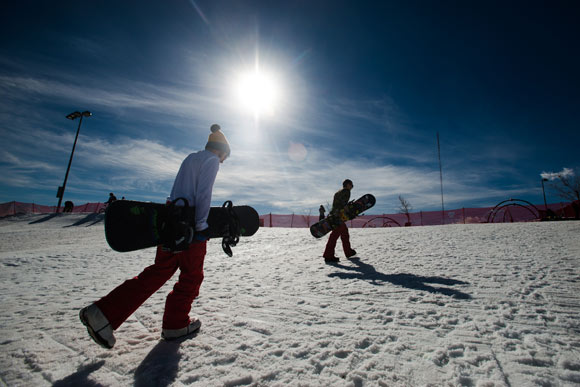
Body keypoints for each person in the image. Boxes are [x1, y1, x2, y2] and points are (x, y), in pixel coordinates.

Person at [80, 124, 230, 348]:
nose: (222, 162)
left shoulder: (190, 158)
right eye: (224, 157)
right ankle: (175, 324)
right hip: (189, 224)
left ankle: (103, 313)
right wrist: (201, 226)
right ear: (221, 150)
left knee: (159, 271)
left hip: (170, 220)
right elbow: (203, 193)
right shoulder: (211, 160)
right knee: (191, 276)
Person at [323, 179, 357, 263]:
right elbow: (343, 203)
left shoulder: (338, 192)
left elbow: (337, 204)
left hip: (334, 215)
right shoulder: (346, 191)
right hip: (338, 217)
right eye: (351, 184)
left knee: (344, 232)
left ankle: (348, 251)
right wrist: (349, 212)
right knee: (335, 235)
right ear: (347, 184)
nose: (352, 186)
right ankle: (328, 255)